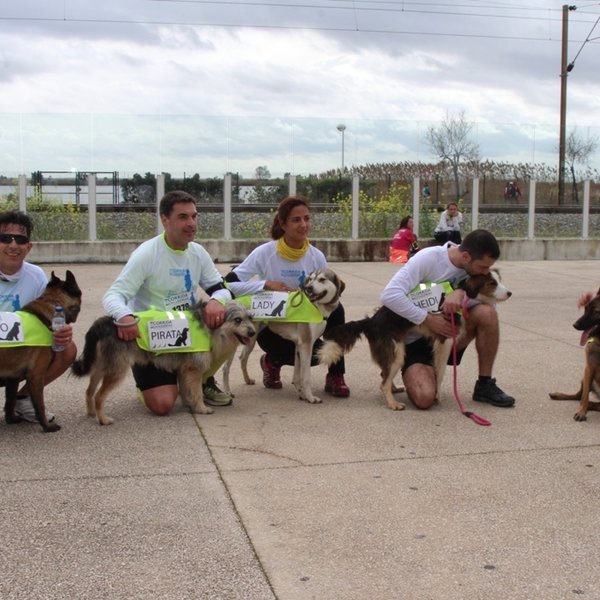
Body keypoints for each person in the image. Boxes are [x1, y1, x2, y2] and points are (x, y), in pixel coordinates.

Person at [102, 190, 235, 416]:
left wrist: (216, 300)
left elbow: (221, 288)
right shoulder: (147, 253)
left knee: (234, 326)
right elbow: (113, 295)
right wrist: (124, 316)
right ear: (165, 219)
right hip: (155, 340)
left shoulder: (198, 252)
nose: (191, 223)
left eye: (194, 216)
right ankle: (152, 384)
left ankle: (200, 379)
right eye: (183, 217)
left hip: (188, 334)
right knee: (163, 405)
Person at [223, 195, 350, 397]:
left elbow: (327, 292)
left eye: (307, 218)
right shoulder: (264, 253)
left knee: (336, 311)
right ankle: (271, 362)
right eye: (296, 220)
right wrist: (265, 284)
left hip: (304, 321)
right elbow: (228, 283)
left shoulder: (316, 256)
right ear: (283, 224)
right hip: (272, 325)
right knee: (294, 351)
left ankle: (336, 375)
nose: (303, 225)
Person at [380, 228, 515, 410]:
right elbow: (389, 295)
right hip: (415, 341)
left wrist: (461, 291)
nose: (485, 272)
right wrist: (427, 319)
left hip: (448, 336)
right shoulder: (428, 259)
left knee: (487, 313)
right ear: (466, 257)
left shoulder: (474, 272)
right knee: (424, 398)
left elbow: (490, 302)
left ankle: (484, 384)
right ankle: (413, 369)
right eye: (483, 267)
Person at [0, 210, 76, 423]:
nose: (13, 245)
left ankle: (23, 398)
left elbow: (52, 317)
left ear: (29, 246)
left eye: (20, 240)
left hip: (19, 355)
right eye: (5, 238)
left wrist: (60, 331)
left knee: (67, 348)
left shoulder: (36, 276)